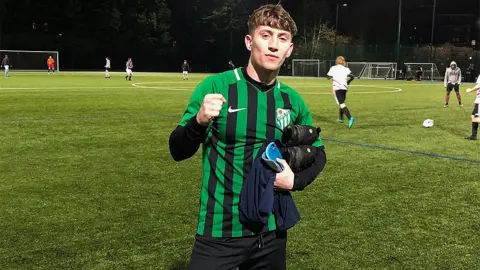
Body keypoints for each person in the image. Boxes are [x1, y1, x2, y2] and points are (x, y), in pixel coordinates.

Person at [169, 4, 326, 269]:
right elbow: (178, 150)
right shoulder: (216, 87)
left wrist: (295, 181)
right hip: (219, 232)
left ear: (290, 50)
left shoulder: (292, 100)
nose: (273, 45)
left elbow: (319, 153)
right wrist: (199, 122)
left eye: (282, 38)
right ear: (249, 41)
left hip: (273, 233)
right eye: (266, 35)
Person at [327, 56, 355, 128]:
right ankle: (341, 118)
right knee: (342, 102)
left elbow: (328, 77)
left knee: (342, 104)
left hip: (337, 88)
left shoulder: (333, 68)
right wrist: (348, 82)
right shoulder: (346, 69)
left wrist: (332, 77)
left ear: (337, 61)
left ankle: (350, 118)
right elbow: (352, 76)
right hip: (344, 88)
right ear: (343, 62)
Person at [465, 76, 480, 140]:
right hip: (478, 100)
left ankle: (474, 135)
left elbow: (478, 86)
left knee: (477, 118)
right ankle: (474, 135)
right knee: (473, 116)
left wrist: (470, 90)